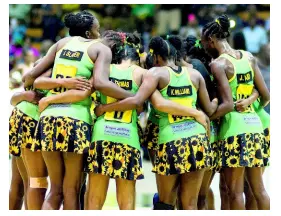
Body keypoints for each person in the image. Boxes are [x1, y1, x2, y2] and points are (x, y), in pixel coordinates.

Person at [94, 36, 218, 210]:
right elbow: (210, 110)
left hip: (171, 140)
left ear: (158, 57)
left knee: (165, 202)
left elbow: (145, 102)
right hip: (197, 138)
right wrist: (203, 107)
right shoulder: (195, 74)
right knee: (191, 204)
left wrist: (104, 108)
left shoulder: (155, 73)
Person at [201, 14, 270, 210]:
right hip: (255, 128)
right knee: (259, 190)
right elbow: (266, 95)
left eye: (204, 42)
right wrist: (250, 102)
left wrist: (205, 118)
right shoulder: (249, 57)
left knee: (235, 191)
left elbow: (228, 104)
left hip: (234, 131)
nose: (204, 46)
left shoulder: (218, 64)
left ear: (212, 40)